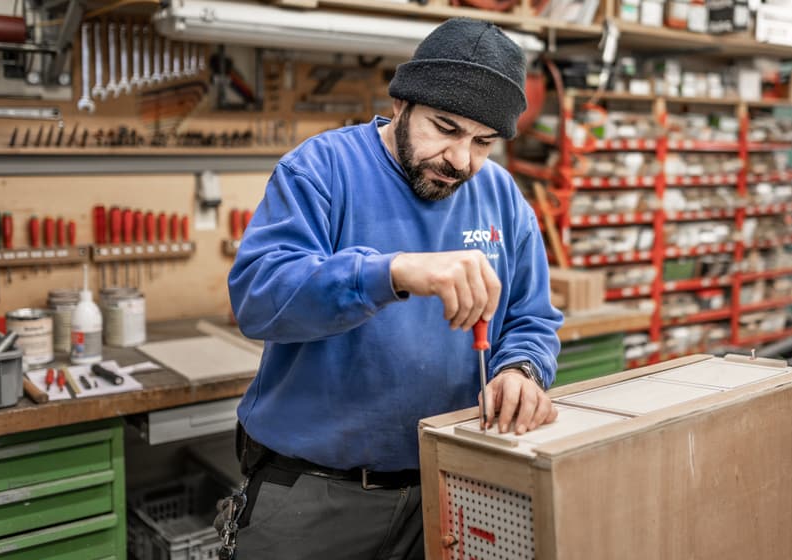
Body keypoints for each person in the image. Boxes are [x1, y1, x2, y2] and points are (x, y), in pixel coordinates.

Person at [222, 17, 563, 559]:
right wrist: (392, 272)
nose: (460, 159)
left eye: (483, 142)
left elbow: (532, 317)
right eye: (445, 128)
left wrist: (521, 369)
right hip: (315, 495)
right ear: (402, 105)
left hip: (450, 483)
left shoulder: (501, 195)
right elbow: (259, 299)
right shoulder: (322, 168)